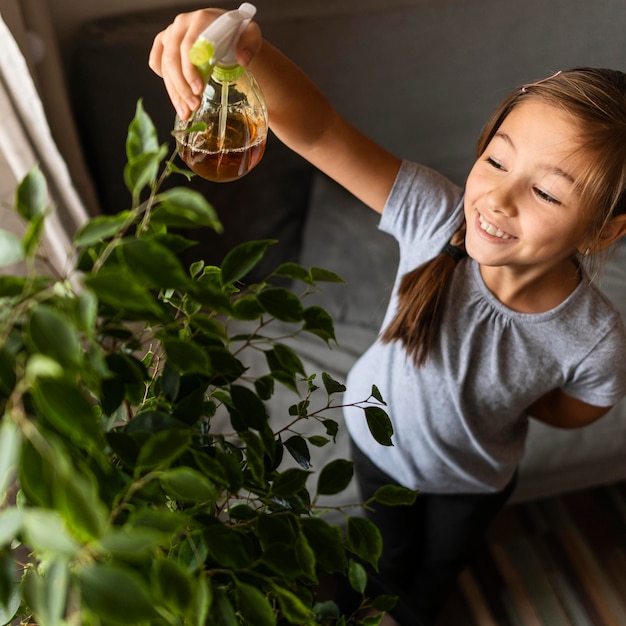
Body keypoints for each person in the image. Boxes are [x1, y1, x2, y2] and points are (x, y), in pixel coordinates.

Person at [149, 9, 626, 625]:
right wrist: (247, 47)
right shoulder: (433, 216)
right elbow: (320, 130)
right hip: (375, 439)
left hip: (471, 483)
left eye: (548, 192)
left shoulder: (594, 335)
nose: (499, 198)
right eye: (497, 161)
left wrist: (509, 391)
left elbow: (580, 407)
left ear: (603, 230)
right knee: (383, 556)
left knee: (434, 572)